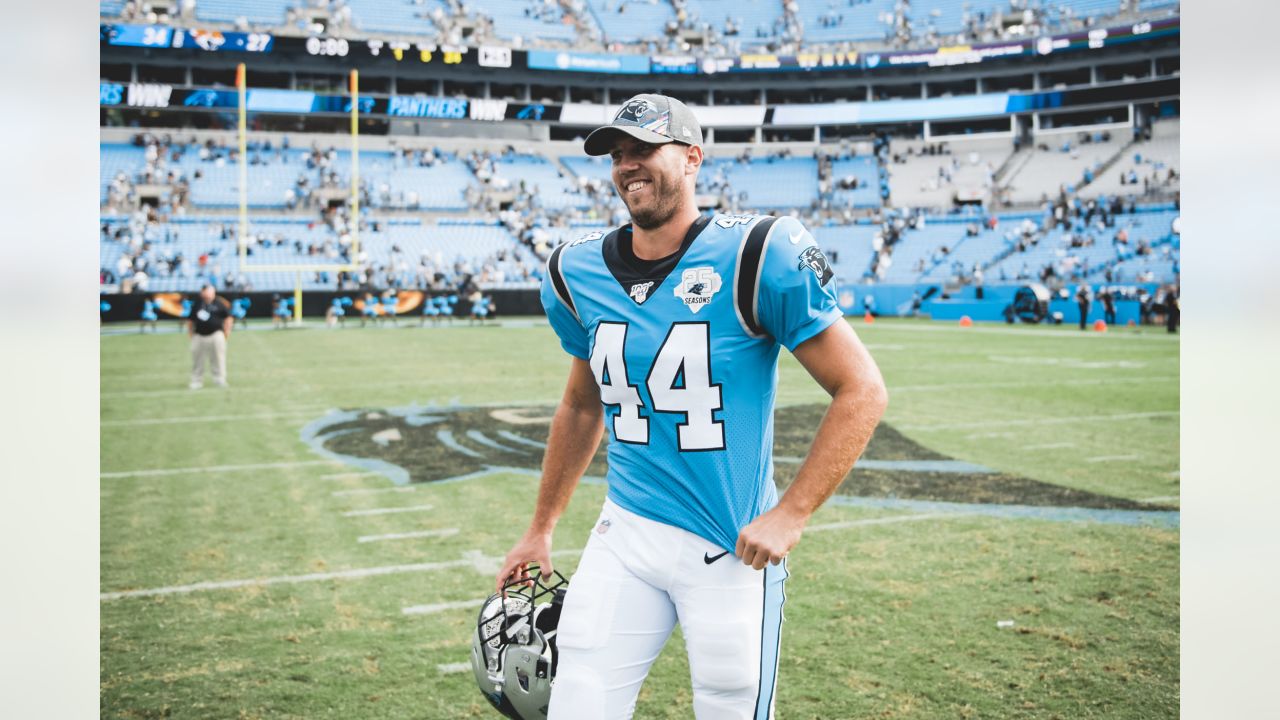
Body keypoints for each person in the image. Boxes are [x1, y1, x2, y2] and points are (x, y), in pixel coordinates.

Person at [496, 94, 889, 719]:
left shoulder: (758, 252)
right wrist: (540, 528)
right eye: (618, 154)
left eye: (644, 149)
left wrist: (792, 512)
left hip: (727, 546)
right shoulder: (578, 270)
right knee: (578, 704)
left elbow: (862, 388)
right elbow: (580, 404)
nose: (629, 166)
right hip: (624, 533)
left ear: (692, 157)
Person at [188, 283, 232, 389]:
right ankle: (196, 380)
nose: (206, 294)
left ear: (213, 293)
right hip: (199, 335)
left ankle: (220, 379)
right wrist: (190, 333)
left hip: (216, 334)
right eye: (204, 292)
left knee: (218, 358)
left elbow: (228, 317)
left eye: (208, 292)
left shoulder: (220, 304)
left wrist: (226, 332)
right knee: (197, 359)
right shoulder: (197, 304)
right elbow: (190, 319)